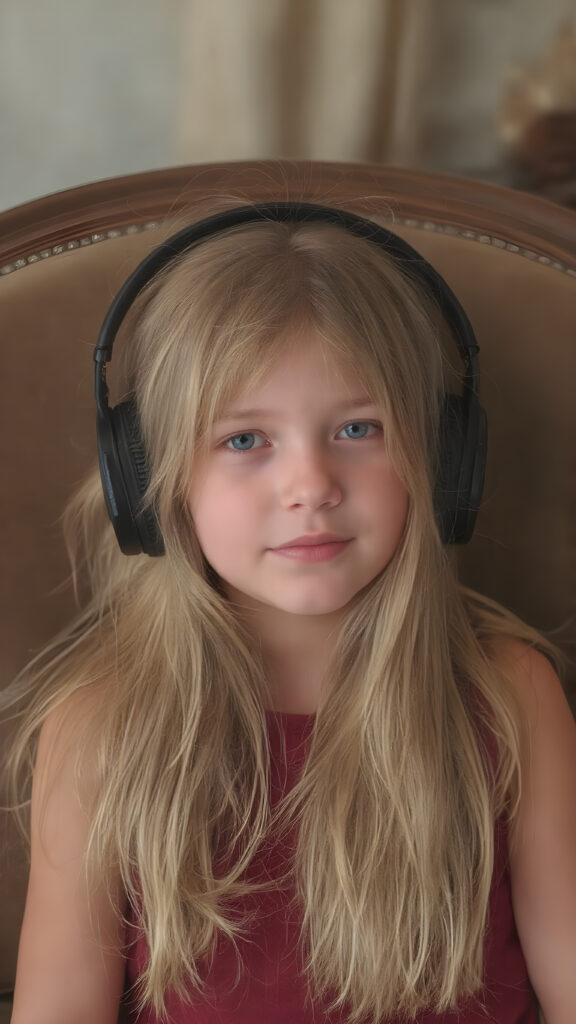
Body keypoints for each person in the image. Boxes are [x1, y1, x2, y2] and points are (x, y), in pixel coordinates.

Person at [5, 203, 576, 1024]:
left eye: (358, 428)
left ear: (444, 462)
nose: (311, 486)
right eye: (245, 440)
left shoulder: (509, 695)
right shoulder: (101, 726)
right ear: (154, 485)